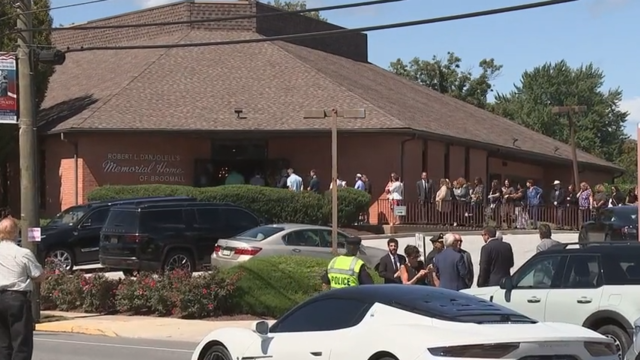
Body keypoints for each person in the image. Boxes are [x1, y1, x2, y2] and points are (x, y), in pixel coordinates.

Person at [0, 217, 45, 360]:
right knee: (21, 343)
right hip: (17, 299)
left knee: (2, 344)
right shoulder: (23, 253)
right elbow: (39, 275)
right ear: (16, 233)